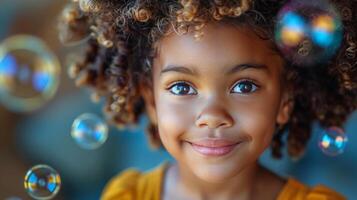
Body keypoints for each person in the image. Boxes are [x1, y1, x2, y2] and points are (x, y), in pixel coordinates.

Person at [58, 0, 356, 199]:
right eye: (181, 88)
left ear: (284, 101)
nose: (212, 114)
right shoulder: (128, 194)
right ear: (151, 102)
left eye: (244, 86)